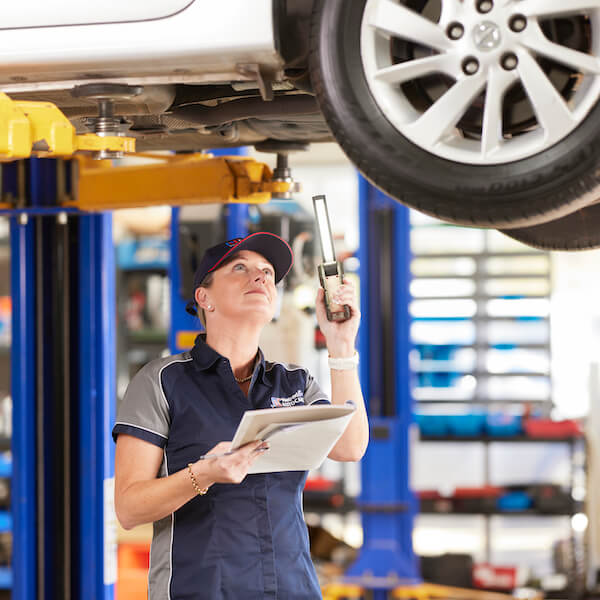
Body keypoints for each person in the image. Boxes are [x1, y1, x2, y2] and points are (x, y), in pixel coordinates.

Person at [113, 231, 369, 600]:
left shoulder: (292, 382)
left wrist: (341, 344)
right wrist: (205, 474)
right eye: (240, 267)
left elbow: (351, 447)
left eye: (267, 272)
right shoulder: (162, 381)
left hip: (291, 590)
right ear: (205, 297)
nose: (261, 276)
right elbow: (129, 508)